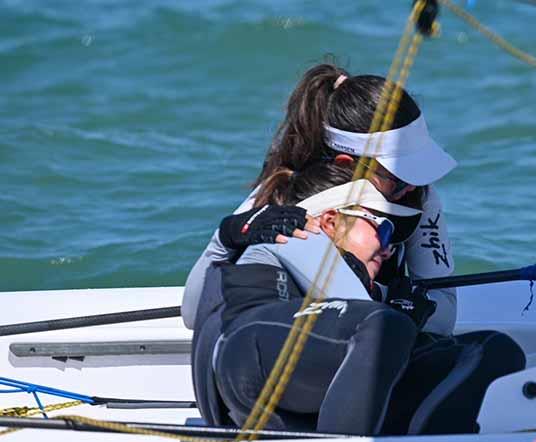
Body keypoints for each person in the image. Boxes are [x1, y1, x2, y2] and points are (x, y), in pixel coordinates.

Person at [191, 162, 525, 435]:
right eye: (383, 229)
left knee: (493, 350)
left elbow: (419, 326)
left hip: (296, 374)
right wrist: (395, 309)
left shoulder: (341, 281)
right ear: (331, 220)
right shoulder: (296, 235)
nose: (390, 246)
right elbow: (371, 320)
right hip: (246, 359)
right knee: (384, 328)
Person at [182, 63, 458, 337]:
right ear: (346, 163)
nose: (412, 186)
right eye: (399, 177)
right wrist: (226, 238)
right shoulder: (283, 191)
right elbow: (193, 314)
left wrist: (397, 307)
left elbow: (444, 312)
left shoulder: (420, 195)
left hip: (370, 344)